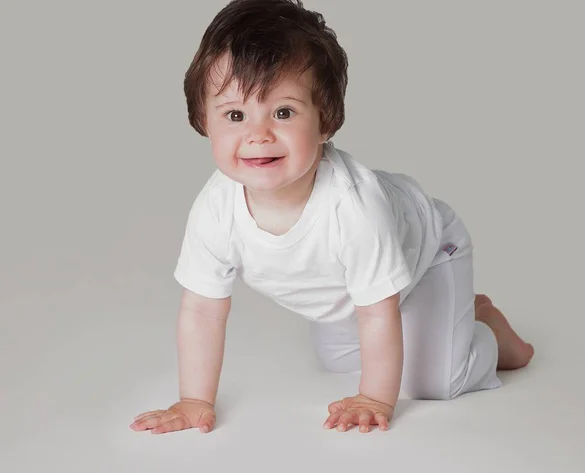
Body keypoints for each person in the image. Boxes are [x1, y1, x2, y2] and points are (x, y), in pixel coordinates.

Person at [130, 0, 534, 435]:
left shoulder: (354, 209)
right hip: (355, 292)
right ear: (203, 122)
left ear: (326, 122)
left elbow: (378, 316)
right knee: (338, 359)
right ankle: (451, 317)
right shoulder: (215, 208)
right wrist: (194, 400)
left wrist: (375, 398)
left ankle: (489, 333)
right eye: (234, 114)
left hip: (430, 254)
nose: (258, 134)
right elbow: (203, 311)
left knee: (429, 382)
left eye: (283, 112)